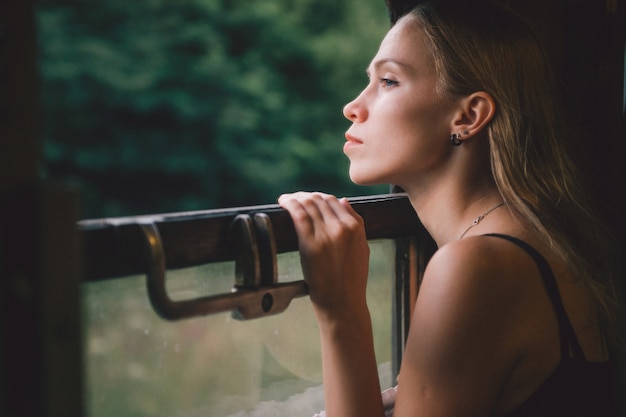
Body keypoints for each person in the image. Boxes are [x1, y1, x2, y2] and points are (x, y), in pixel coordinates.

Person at [278, 1, 623, 416]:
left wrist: (341, 310)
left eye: (388, 81)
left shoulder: (476, 266)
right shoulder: (538, 242)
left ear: (469, 115)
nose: (352, 106)